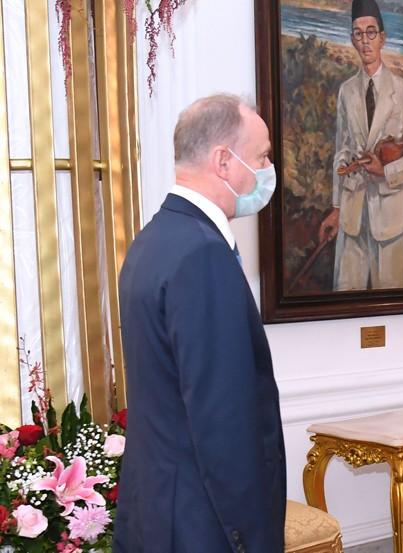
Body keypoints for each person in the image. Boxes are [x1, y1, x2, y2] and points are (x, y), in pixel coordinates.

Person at [115, 94, 286, 552]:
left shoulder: (152, 241)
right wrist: (250, 536)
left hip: (158, 509)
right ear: (224, 161)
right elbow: (222, 417)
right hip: (202, 523)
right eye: (262, 156)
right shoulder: (203, 254)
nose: (268, 168)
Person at [317, 0, 403, 291]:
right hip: (352, 217)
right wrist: (336, 207)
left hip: (392, 217)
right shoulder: (346, 91)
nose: (364, 41)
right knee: (344, 299)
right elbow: (340, 152)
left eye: (370, 33)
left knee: (391, 302)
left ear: (382, 37)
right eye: (357, 33)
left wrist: (386, 170)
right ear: (352, 39)